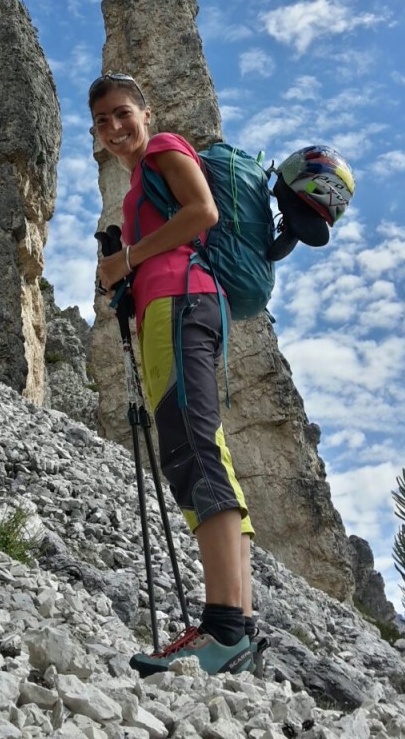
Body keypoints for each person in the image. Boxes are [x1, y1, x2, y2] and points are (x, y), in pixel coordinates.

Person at [89, 71, 258, 678]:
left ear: (145, 111)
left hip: (181, 303)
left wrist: (126, 259)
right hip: (174, 306)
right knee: (202, 444)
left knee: (191, 447)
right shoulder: (140, 178)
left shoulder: (163, 148)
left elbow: (203, 212)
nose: (114, 128)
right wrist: (126, 275)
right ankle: (236, 623)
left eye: (121, 113)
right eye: (102, 121)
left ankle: (221, 630)